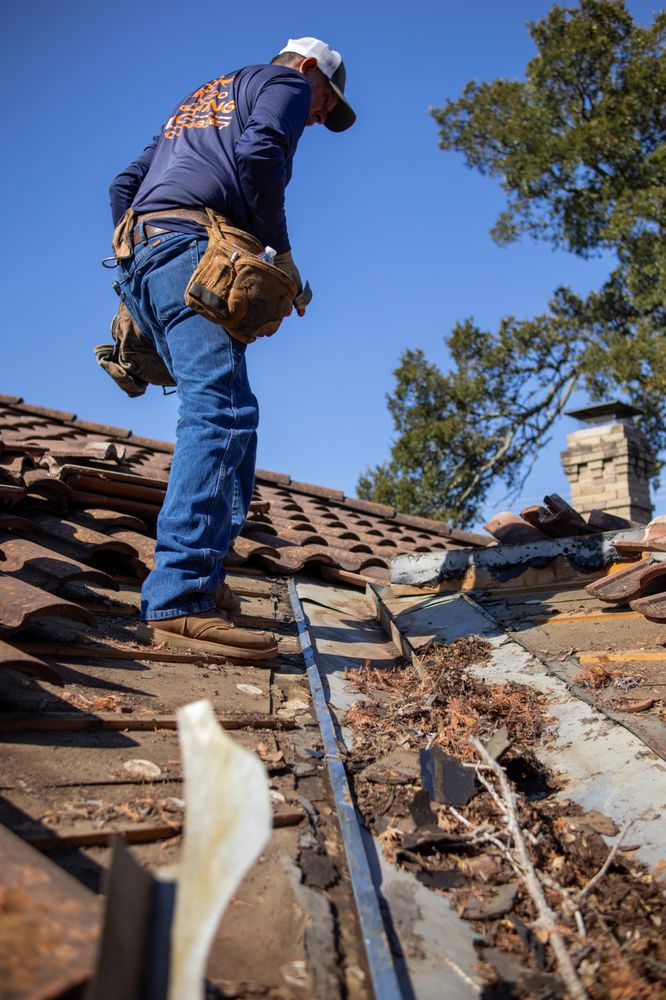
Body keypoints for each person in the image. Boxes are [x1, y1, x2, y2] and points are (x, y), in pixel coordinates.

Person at [109, 37, 355, 660]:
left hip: (145, 251)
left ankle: (203, 576)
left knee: (234, 413)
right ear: (307, 72)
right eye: (328, 101)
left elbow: (124, 185)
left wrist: (141, 262)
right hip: (188, 245)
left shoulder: (202, 98)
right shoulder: (286, 84)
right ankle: (180, 596)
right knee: (218, 411)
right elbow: (261, 154)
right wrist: (281, 252)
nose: (321, 115)